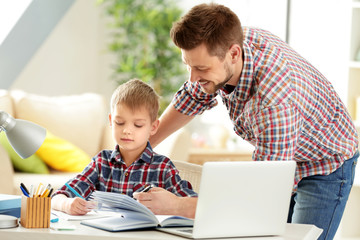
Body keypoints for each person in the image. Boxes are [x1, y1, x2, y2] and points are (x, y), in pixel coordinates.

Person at [134, 3, 359, 239]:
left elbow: (260, 197)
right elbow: (192, 96)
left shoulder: (274, 102)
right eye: (188, 66)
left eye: (201, 68)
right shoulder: (229, 42)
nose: (192, 78)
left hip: (325, 160)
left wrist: (177, 206)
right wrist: (143, 146)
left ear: (233, 54)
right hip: (285, 148)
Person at [51, 79, 197, 215]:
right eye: (120, 122)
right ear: (111, 121)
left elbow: (196, 205)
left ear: (153, 127)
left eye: (137, 125)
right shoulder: (101, 162)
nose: (127, 130)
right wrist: (67, 204)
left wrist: (173, 206)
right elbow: (58, 196)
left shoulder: (163, 167)